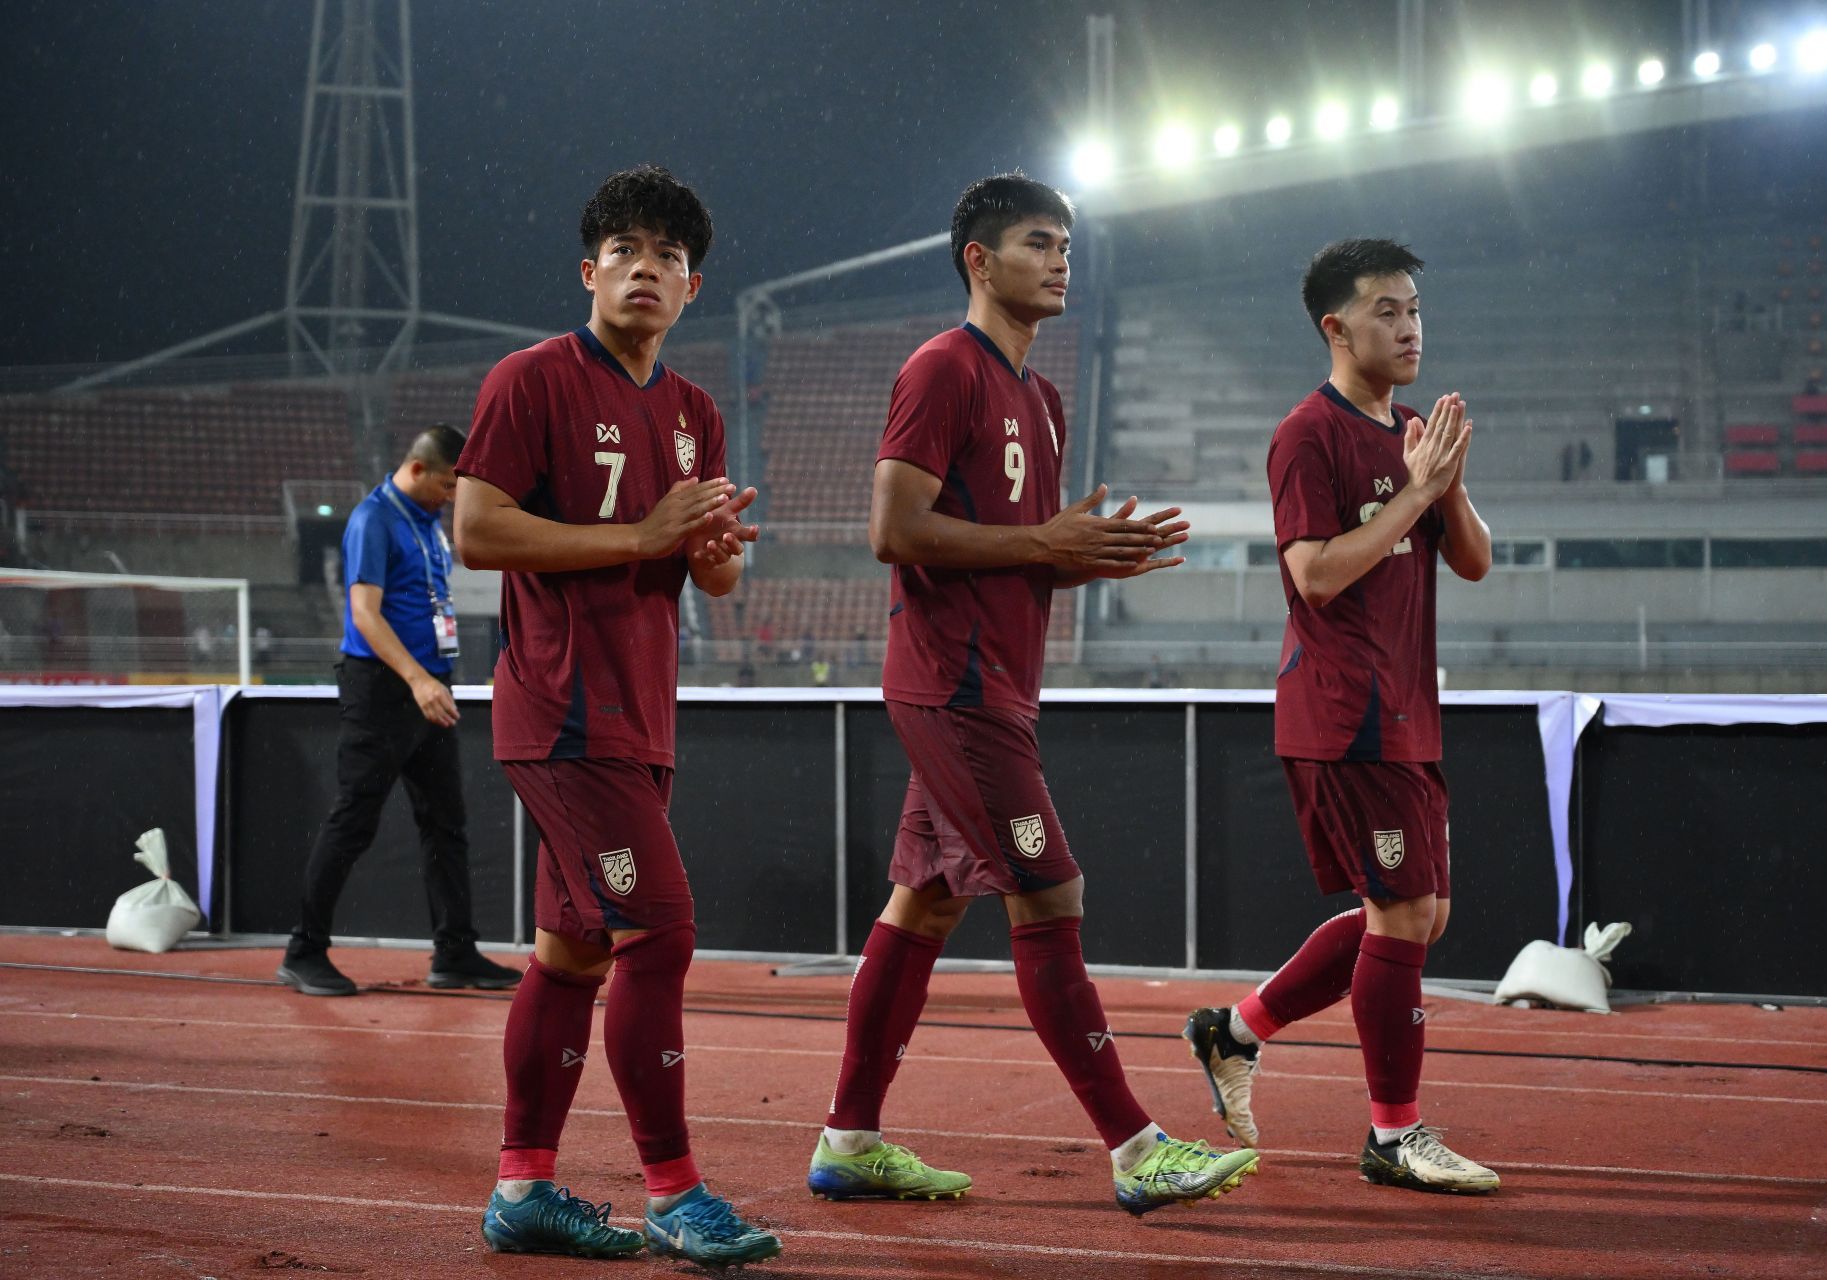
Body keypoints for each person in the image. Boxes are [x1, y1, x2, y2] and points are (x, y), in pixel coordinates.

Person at [805, 172, 1260, 1216]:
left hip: (1000, 683)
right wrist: (1047, 541)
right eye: (1039, 243)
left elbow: (1014, 553)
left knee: (923, 900)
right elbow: (894, 530)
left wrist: (1088, 555)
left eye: (1067, 244)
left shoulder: (1043, 398)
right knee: (1049, 892)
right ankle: (1137, 1145)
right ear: (980, 259)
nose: (1062, 260)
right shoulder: (941, 369)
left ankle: (848, 1136)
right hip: (952, 683)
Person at [453, 165, 779, 1267]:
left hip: (640, 720)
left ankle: (522, 1188)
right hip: (561, 712)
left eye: (671, 256)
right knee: (662, 929)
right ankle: (676, 1192)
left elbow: (709, 579)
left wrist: (711, 554)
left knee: (570, 954)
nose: (649, 266)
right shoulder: (530, 379)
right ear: (589, 270)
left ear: (693, 288)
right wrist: (641, 535)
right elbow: (479, 530)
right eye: (628, 249)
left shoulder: (696, 412)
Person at [1180, 239, 1498, 1195]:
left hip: (1408, 710)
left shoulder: (1410, 433)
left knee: (1418, 915)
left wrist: (1447, 481)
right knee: (1400, 913)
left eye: (1414, 310)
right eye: (1388, 312)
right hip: (1343, 710)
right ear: (1336, 326)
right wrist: (1415, 492)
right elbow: (1313, 574)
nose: (1410, 329)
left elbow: (1474, 562)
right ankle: (1394, 1137)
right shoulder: (1305, 435)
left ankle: (1233, 1033)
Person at [277, 425, 519, 999]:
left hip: (427, 688)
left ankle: (454, 952)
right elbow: (363, 614)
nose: (452, 495)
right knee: (353, 821)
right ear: (417, 469)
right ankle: (302, 950)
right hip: (385, 690)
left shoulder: (429, 522)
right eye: (446, 483)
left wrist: (430, 681)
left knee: (446, 824)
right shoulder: (372, 519)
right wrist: (415, 679)